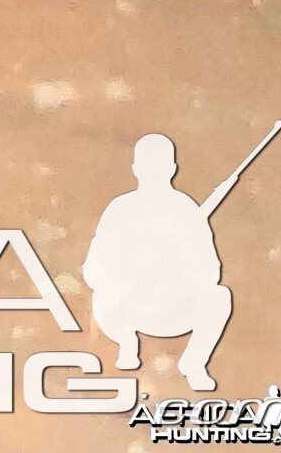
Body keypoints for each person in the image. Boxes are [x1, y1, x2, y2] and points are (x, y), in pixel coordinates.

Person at [84, 132, 243, 392]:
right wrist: (121, 283)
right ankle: (127, 342)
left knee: (219, 297)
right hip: (127, 308)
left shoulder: (186, 209)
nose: (154, 173)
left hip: (174, 309)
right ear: (136, 169)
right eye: (149, 166)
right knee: (100, 298)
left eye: (159, 166)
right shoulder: (119, 209)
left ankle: (194, 362)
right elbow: (93, 266)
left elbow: (210, 271)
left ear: (171, 169)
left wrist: (177, 270)